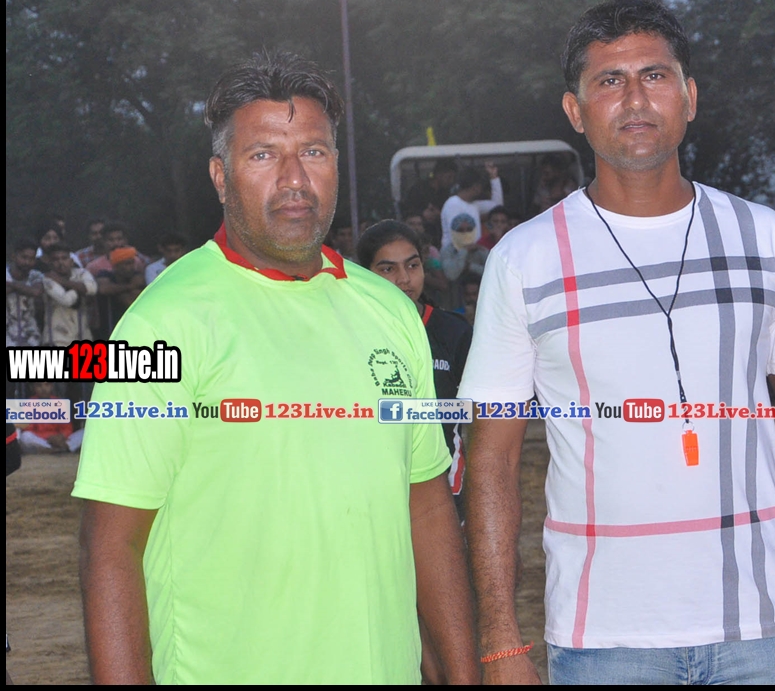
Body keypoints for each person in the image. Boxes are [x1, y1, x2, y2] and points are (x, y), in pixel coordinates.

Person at [461, 0, 775, 685]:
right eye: (609, 80)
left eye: (654, 76)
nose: (635, 99)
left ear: (689, 96)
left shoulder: (764, 238)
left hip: (764, 629)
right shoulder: (524, 259)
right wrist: (501, 640)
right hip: (602, 641)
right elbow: (493, 459)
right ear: (575, 111)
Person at [72, 51, 476, 684]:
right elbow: (110, 545)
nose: (294, 179)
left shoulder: (392, 313)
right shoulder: (160, 325)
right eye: (263, 155)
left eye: (313, 152)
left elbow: (425, 507)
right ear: (220, 175)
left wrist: (463, 672)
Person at [357, 219, 474, 684]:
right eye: (387, 268)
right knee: (401, 623)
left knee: (453, 626)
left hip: (444, 499)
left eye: (413, 265)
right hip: (378, 502)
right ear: (364, 273)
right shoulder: (351, 333)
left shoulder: (453, 332)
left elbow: (478, 423)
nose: (404, 279)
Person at [41, 243, 96, 346]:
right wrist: (81, 288)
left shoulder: (81, 273)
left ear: (71, 261)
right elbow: (66, 300)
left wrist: (62, 282)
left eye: (64, 258)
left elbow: (92, 288)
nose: (60, 262)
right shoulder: (47, 279)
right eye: (56, 259)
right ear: (50, 264)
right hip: (57, 339)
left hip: (83, 337)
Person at [440, 163, 503, 249]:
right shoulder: (453, 204)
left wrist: (494, 177)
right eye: (481, 186)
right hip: (453, 255)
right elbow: (456, 236)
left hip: (472, 254)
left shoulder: (474, 205)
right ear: (476, 187)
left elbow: (498, 207)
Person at [6, 238, 43, 349]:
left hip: (30, 337)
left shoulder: (36, 275)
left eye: (31, 259)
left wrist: (12, 285)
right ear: (14, 256)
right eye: (24, 257)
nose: (27, 262)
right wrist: (25, 288)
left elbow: (36, 292)